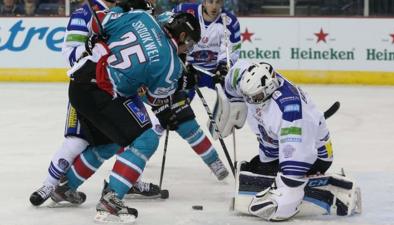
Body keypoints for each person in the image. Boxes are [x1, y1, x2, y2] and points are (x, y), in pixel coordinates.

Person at [51, 9, 201, 223]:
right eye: (191, 43)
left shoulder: (142, 17)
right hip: (102, 93)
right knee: (147, 139)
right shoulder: (171, 65)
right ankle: (112, 198)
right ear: (183, 36)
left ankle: (67, 186)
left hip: (79, 84)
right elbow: (154, 97)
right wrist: (183, 83)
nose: (189, 49)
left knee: (115, 139)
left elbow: (98, 25)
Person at [29, 0, 160, 207]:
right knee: (77, 141)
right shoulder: (85, 11)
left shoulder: (126, 8)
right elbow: (70, 54)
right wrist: (90, 48)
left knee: (129, 135)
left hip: (116, 88)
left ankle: (130, 180)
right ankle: (50, 184)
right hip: (88, 86)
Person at [221, 60, 334, 221]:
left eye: (256, 97)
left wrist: (287, 193)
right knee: (256, 167)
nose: (251, 101)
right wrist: (234, 101)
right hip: (275, 142)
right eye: (247, 97)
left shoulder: (290, 111)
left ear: (271, 88)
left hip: (315, 155)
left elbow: (298, 154)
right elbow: (232, 76)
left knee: (286, 176)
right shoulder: (248, 78)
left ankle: (306, 188)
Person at [145, 0, 242, 181]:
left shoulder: (230, 20)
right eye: (211, 1)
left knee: (237, 93)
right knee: (173, 112)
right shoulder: (185, 10)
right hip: (186, 69)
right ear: (204, 1)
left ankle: (217, 124)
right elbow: (169, 34)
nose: (214, 7)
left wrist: (222, 67)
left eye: (218, 2)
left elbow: (232, 50)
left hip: (213, 71)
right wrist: (180, 62)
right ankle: (146, 148)